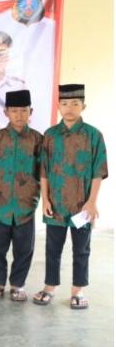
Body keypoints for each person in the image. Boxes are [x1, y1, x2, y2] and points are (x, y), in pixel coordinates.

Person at [32, 84, 108, 309]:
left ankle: (78, 290)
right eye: (64, 103)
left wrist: (92, 202)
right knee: (52, 249)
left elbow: (98, 171)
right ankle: (50, 287)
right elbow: (44, 171)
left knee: (81, 250)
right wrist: (45, 200)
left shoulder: (93, 135)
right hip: (55, 204)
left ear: (83, 106)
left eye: (75, 103)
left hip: (81, 205)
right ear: (58, 106)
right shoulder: (50, 135)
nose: (69, 108)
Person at [0, 90, 42, 302]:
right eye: (14, 111)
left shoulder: (38, 140)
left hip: (26, 204)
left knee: (24, 248)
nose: (19, 115)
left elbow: (43, 171)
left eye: (24, 111)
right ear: (6, 112)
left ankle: (18, 285)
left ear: (30, 112)